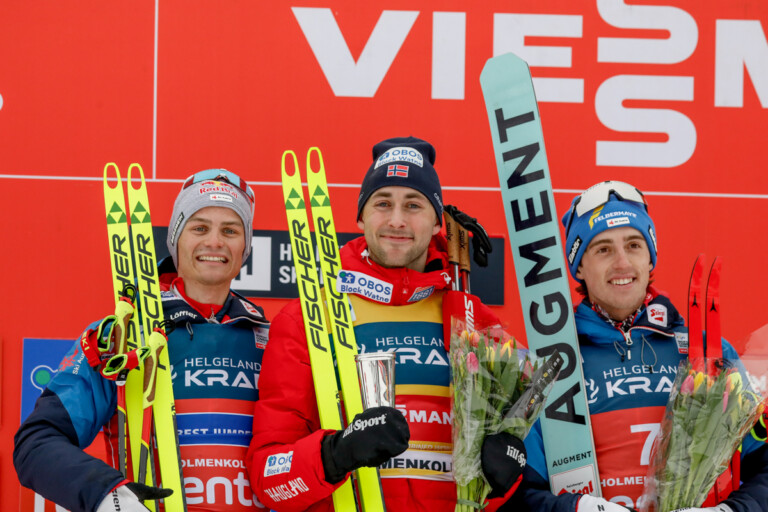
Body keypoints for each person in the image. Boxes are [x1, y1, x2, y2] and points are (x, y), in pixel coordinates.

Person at [246, 137, 526, 511]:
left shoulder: (476, 322)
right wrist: (335, 454)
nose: (397, 220)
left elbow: (502, 483)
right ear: (361, 216)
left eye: (413, 205)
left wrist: (507, 475)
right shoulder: (308, 318)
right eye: (382, 204)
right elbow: (269, 479)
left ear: (436, 220)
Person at [14, 170, 270, 512]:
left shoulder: (271, 339)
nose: (214, 242)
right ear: (176, 239)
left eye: (230, 230)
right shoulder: (122, 335)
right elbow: (36, 443)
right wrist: (107, 493)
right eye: (199, 227)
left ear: (245, 246)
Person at [504, 181, 768, 512]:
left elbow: (764, 468)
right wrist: (581, 509)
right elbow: (520, 494)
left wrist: (729, 511)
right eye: (602, 249)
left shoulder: (707, 352)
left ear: (650, 258)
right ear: (579, 267)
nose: (622, 263)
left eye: (633, 245)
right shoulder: (551, 363)